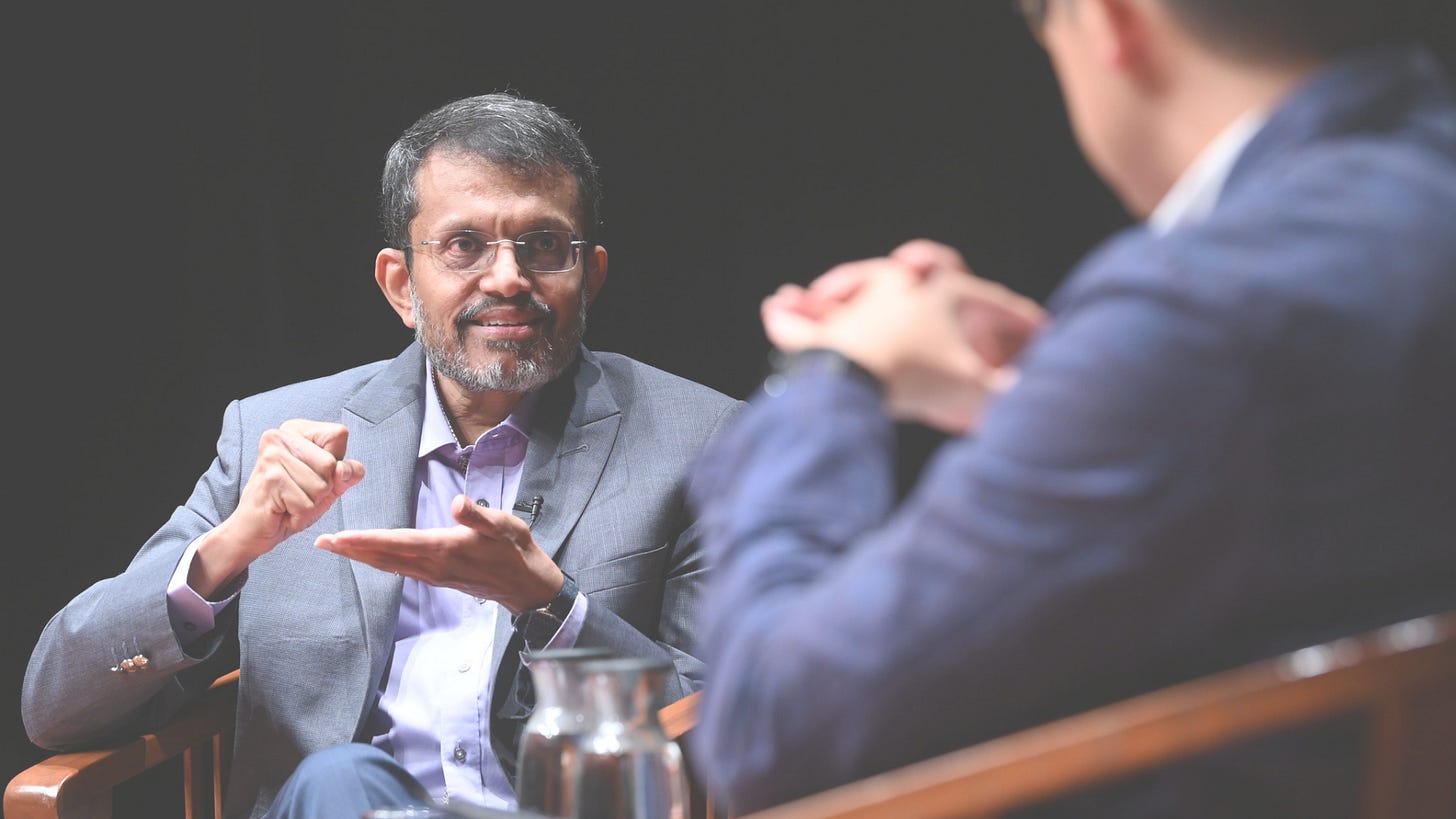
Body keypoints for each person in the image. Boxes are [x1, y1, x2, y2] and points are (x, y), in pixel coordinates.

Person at [687, 0, 1456, 816]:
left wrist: (829, 373)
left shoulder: (1201, 314)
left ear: (1113, 20)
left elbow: (765, 731)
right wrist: (1062, 385)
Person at [22, 92, 740, 819]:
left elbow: (728, 726)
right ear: (401, 284)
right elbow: (54, 705)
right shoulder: (273, 436)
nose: (506, 278)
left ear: (589, 276)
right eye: (464, 246)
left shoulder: (701, 440)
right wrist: (230, 549)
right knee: (342, 779)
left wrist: (549, 606)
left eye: (543, 245)